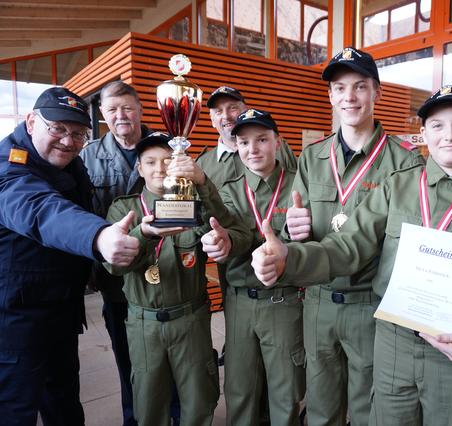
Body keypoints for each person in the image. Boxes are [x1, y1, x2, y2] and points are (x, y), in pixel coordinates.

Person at [252, 85, 452, 425]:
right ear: (424, 134)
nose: (449, 135)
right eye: (437, 125)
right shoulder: (398, 187)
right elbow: (348, 245)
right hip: (394, 344)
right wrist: (290, 258)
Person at [277, 47, 424, 426]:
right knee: (321, 408)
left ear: (377, 93)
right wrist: (291, 228)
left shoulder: (405, 162)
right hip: (318, 302)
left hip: (370, 306)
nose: (349, 97)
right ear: (330, 96)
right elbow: (291, 229)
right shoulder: (311, 158)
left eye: (360, 87)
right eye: (340, 88)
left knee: (367, 409)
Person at [0, 86, 140, 426]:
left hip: (60, 309)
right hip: (17, 317)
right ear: (32, 122)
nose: (68, 140)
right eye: (58, 129)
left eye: (78, 133)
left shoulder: (70, 163)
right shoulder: (8, 167)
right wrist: (99, 236)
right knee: (15, 409)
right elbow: (41, 210)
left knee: (63, 402)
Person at [104, 133, 252, 426]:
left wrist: (202, 182)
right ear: (139, 168)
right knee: (148, 404)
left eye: (168, 161)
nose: (160, 168)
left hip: (190, 320)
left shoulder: (193, 204)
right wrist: (143, 235)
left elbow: (224, 223)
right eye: (150, 162)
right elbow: (114, 268)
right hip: (143, 323)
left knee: (198, 400)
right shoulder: (124, 209)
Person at [203, 109, 304, 425]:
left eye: (262, 139)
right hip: (240, 303)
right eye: (244, 142)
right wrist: (224, 242)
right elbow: (233, 231)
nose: (253, 149)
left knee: (285, 391)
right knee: (240, 389)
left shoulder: (300, 187)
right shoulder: (229, 189)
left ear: (278, 142)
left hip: (284, 303)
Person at [80, 80, 158, 426]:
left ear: (140, 110)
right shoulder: (88, 156)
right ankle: (133, 417)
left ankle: (171, 415)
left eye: (127, 107)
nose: (120, 115)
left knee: (165, 358)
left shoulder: (166, 147)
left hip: (162, 275)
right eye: (112, 110)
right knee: (127, 359)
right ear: (103, 115)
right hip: (116, 280)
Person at [196, 86, 297, 189]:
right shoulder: (202, 164)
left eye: (233, 108)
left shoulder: (280, 148)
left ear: (245, 112)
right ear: (212, 121)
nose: (226, 116)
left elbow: (298, 185)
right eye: (219, 112)